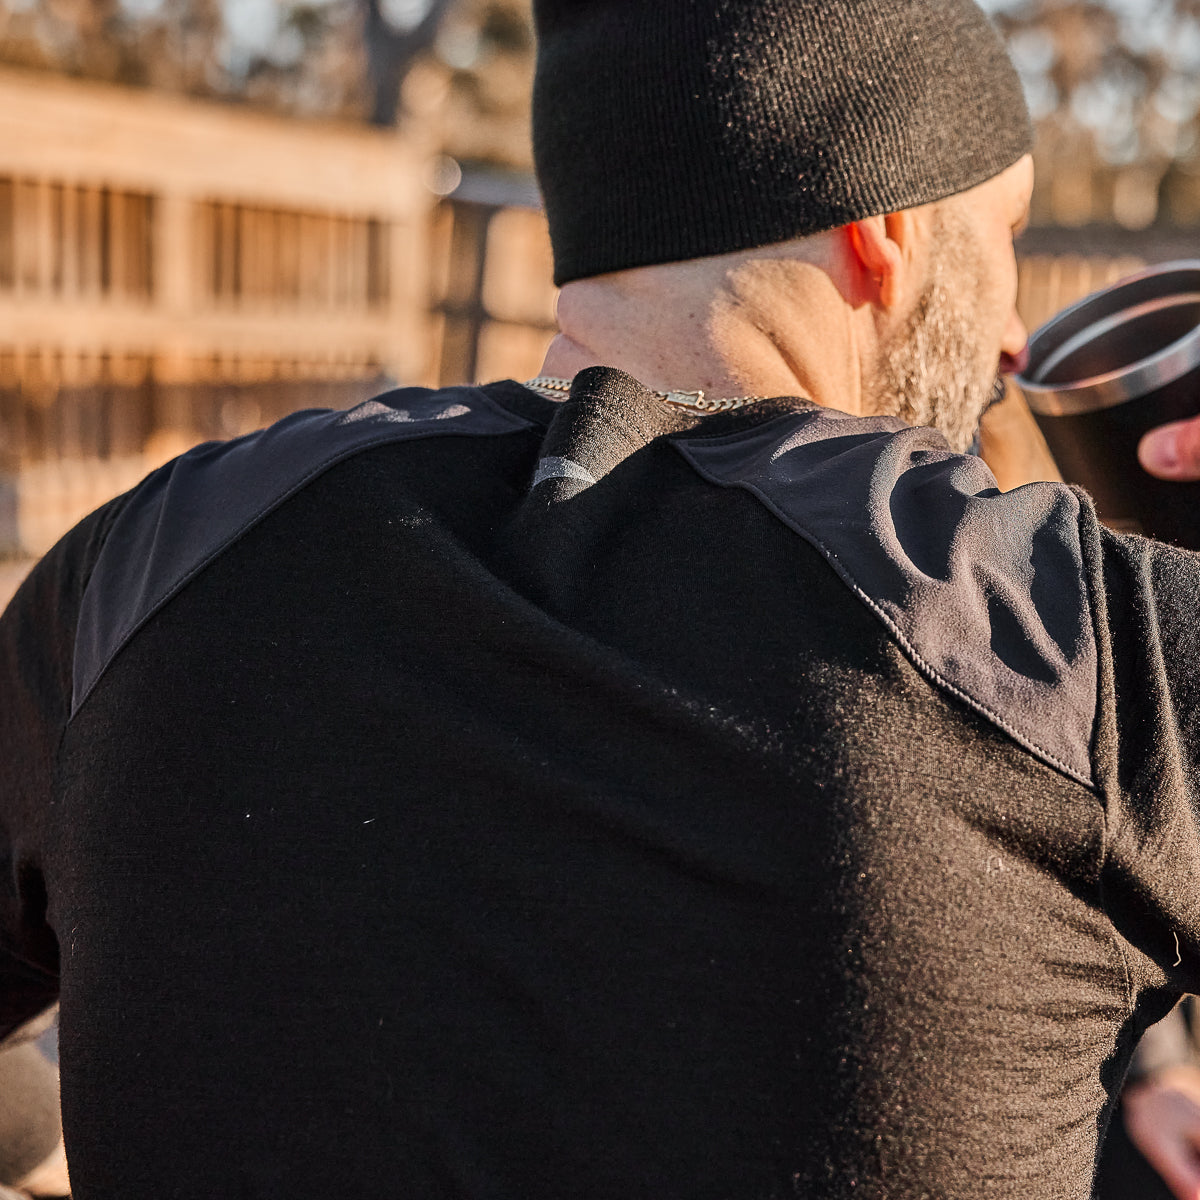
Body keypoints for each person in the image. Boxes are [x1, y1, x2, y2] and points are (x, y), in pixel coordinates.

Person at [4, 1, 1200, 1196]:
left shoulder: (148, 563)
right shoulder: (1073, 633)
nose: (1011, 335)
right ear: (886, 226)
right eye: (1006, 236)